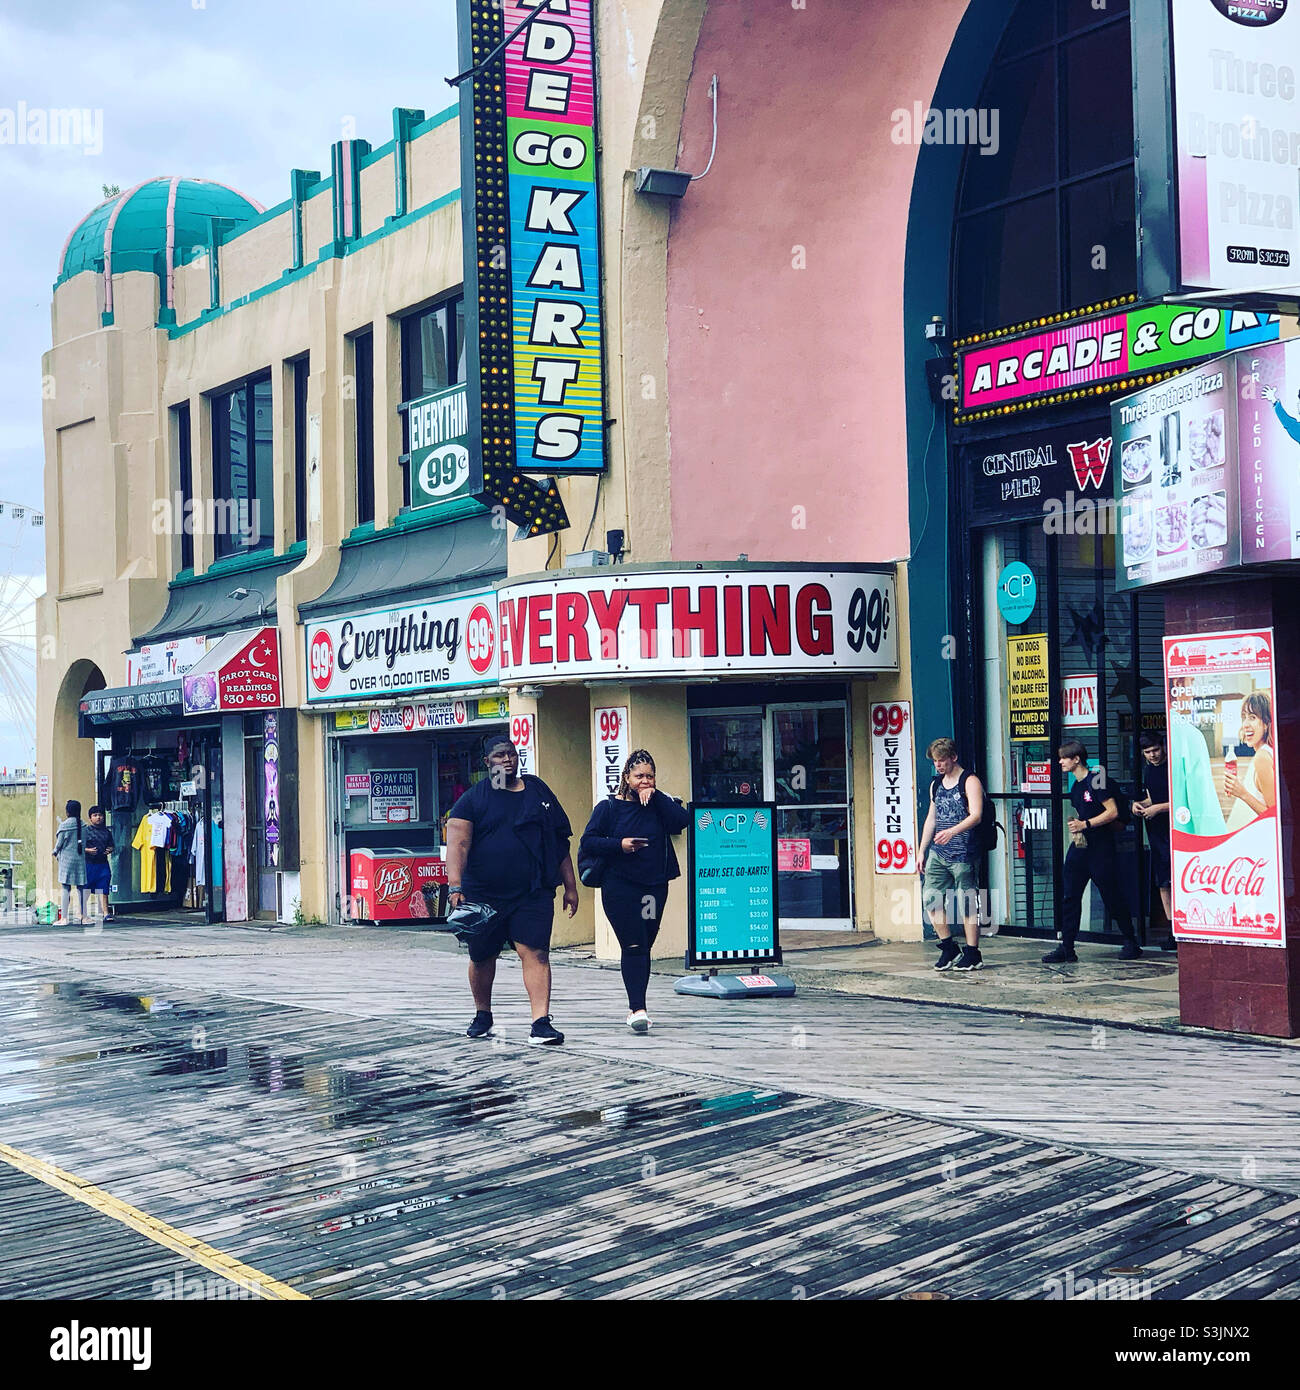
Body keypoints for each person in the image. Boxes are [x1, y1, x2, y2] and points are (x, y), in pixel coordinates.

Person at [444, 734, 579, 1045]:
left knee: (535, 953)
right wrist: (455, 887)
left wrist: (570, 887)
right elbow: (458, 845)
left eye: (511, 754)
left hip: (533, 892)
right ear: (487, 762)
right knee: (482, 956)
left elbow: (559, 843)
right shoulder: (473, 799)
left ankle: (540, 1023)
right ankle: (483, 1015)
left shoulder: (538, 792)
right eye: (500, 755)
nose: (507, 760)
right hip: (483, 895)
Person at [578, 749, 691, 1032]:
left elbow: (681, 821)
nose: (644, 781)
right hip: (620, 887)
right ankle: (637, 1009)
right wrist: (620, 845)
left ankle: (638, 1004)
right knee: (633, 944)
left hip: (653, 887)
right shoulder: (608, 808)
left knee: (646, 941)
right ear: (626, 777)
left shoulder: (658, 804)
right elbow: (589, 841)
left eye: (649, 776)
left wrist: (657, 796)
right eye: (639, 776)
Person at [1045, 740, 1141, 963]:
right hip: (1081, 846)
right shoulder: (1076, 787)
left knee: (1111, 893)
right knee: (1070, 895)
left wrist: (1085, 824)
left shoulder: (1097, 780)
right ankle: (1067, 947)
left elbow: (1113, 812)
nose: (1059, 762)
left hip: (1101, 845)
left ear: (1076, 759)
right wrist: (1079, 827)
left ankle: (1130, 940)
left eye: (1063, 758)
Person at [916, 737, 986, 972]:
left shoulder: (970, 780)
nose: (938, 765)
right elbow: (931, 818)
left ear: (953, 757)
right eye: (935, 761)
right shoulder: (936, 784)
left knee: (967, 902)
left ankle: (972, 952)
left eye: (942, 760)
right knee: (931, 897)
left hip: (964, 852)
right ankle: (948, 946)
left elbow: (976, 815)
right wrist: (921, 850)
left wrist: (952, 831)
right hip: (939, 851)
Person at [1132, 733, 1173, 950]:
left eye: (1155, 750)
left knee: (1175, 881)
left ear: (1162, 747)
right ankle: (1171, 929)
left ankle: (1181, 929)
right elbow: (1152, 797)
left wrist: (1158, 808)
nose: (1153, 755)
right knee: (1163, 882)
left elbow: (1184, 800)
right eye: (1147, 752)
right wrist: (1138, 805)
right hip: (1156, 832)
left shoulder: (1173, 767)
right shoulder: (1148, 770)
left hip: (1175, 830)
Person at [1224, 692, 1276, 832]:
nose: (1245, 724)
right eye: (1244, 717)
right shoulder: (1266, 753)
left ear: (1266, 724)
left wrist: (1242, 793)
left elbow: (1274, 816)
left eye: (1252, 717)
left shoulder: (1262, 757)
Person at [52, 798, 88, 924]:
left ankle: (64, 918)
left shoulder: (64, 825)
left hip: (66, 861)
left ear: (67, 812)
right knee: (81, 888)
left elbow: (59, 844)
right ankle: (84, 916)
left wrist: (54, 852)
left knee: (66, 888)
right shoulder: (83, 825)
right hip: (80, 860)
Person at [83, 805, 114, 923]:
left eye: (100, 815)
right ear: (90, 818)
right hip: (89, 864)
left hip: (103, 864)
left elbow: (111, 845)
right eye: (95, 815)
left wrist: (110, 849)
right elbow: (78, 847)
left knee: (104, 888)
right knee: (85, 889)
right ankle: (83, 913)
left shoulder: (107, 832)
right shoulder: (85, 831)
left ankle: (106, 913)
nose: (98, 818)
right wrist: (88, 850)